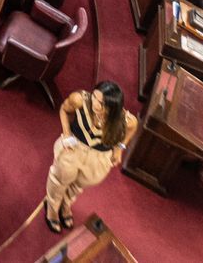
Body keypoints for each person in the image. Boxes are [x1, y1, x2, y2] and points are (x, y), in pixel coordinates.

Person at [44, 81, 137, 232]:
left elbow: (132, 129)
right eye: (94, 97)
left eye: (102, 103)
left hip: (99, 156)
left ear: (113, 107)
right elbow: (64, 109)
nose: (95, 104)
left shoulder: (124, 119)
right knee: (60, 179)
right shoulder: (79, 100)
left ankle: (65, 205)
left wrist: (119, 149)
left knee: (80, 184)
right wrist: (66, 135)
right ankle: (52, 207)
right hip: (75, 147)